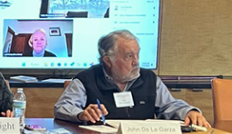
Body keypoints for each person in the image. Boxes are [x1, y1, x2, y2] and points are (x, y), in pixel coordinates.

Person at [54, 30, 209, 126]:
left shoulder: (149, 79)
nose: (136, 61)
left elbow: (169, 106)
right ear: (108, 60)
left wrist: (188, 112)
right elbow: (63, 107)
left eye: (137, 54)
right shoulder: (86, 79)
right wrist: (81, 114)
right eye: (129, 56)